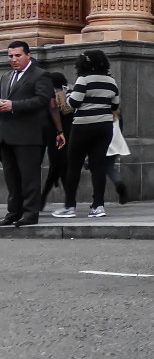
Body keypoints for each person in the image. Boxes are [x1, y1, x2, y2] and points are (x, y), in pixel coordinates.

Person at [51, 50, 119, 220]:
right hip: (104, 127)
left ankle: (70, 206)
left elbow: (73, 103)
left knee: (73, 166)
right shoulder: (111, 81)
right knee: (98, 167)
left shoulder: (84, 79)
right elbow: (114, 104)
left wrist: (68, 94)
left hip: (83, 127)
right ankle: (98, 206)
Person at [0, 41, 55, 227]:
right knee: (11, 177)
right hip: (6, 135)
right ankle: (13, 212)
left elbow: (42, 100)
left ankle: (30, 214)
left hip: (29, 135)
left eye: (18, 55)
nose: (13, 59)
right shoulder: (6, 76)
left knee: (29, 176)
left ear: (28, 55)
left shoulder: (40, 75)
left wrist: (14, 105)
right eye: (10, 56)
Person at [40, 71, 73, 211]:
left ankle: (43, 200)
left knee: (56, 168)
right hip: (68, 137)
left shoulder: (51, 98)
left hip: (55, 137)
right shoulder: (69, 97)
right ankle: (69, 200)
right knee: (61, 168)